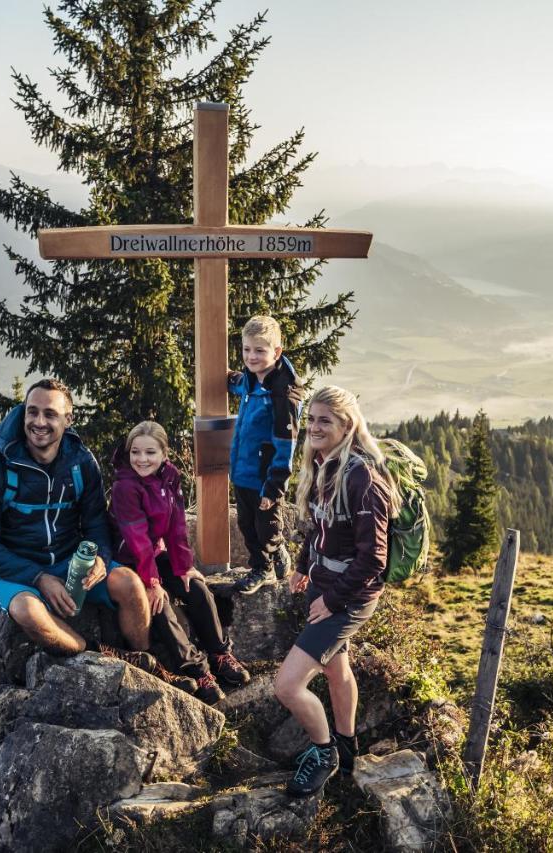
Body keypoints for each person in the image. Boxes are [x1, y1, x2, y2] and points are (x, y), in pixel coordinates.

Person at [0, 379, 191, 690]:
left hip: (72, 561)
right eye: (32, 412)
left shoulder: (80, 462)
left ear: (67, 419)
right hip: (17, 569)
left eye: (50, 414)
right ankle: (99, 652)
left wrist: (101, 557)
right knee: (26, 612)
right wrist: (38, 577)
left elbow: (97, 522)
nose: (39, 422)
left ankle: (145, 665)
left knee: (130, 585)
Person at [274, 385, 401, 797]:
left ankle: (323, 752)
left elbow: (373, 560)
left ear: (347, 425)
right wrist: (300, 567)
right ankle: (347, 751)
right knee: (335, 668)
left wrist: (332, 601)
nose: (313, 427)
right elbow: (319, 527)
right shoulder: (323, 465)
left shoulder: (363, 477)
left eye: (324, 420)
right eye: (310, 419)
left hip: (349, 597)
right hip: (325, 586)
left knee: (287, 686)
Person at [110, 421, 253, 705]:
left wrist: (183, 566)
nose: (141, 459)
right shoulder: (124, 487)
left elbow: (176, 527)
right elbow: (136, 539)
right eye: (135, 452)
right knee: (159, 605)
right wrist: (153, 583)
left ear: (164, 454)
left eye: (150, 452)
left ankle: (219, 653)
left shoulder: (170, 477)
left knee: (197, 587)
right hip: (129, 560)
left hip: (155, 552)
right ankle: (196, 670)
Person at [227, 315, 302, 593]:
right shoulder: (251, 380)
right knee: (247, 524)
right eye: (247, 350)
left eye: (260, 350)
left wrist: (273, 487)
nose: (251, 356)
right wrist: (229, 378)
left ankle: (263, 568)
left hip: (265, 477)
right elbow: (241, 384)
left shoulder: (283, 395)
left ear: (277, 352)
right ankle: (276, 554)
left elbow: (286, 445)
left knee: (266, 526)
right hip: (243, 472)